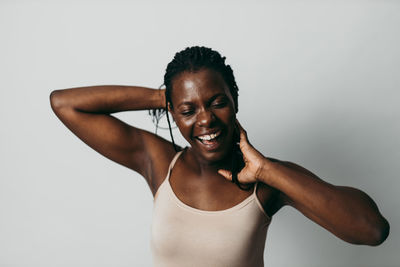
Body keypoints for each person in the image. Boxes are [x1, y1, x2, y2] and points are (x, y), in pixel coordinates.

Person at [50, 46, 389, 267]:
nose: (206, 120)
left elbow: (371, 230)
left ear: (235, 102)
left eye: (217, 102)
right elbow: (65, 104)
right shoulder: (158, 162)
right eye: (188, 109)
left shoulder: (268, 182)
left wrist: (266, 169)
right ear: (172, 112)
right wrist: (164, 96)